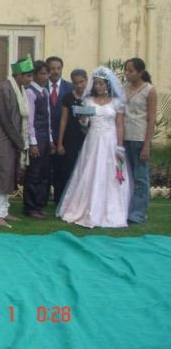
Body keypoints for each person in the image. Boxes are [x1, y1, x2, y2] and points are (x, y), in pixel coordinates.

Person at [57, 66, 131, 228]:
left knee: (110, 172)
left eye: (101, 84)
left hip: (110, 140)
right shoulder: (88, 101)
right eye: (96, 83)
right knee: (90, 170)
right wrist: (83, 120)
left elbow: (120, 125)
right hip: (93, 139)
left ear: (107, 85)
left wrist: (120, 146)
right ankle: (86, 206)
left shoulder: (117, 102)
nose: (97, 86)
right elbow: (85, 124)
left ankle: (110, 209)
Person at [0, 56, 34, 227]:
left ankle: (5, 210)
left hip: (13, 140)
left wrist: (19, 141)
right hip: (4, 139)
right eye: (28, 76)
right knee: (3, 176)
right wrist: (19, 142)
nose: (31, 79)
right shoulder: (5, 88)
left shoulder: (19, 89)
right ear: (18, 75)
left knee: (10, 175)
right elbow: (5, 119)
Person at [124, 58, 157, 223]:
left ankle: (138, 214)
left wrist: (146, 145)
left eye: (131, 71)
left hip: (139, 138)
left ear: (140, 72)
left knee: (140, 177)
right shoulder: (124, 88)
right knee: (126, 176)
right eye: (126, 70)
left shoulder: (149, 90)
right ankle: (125, 209)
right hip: (124, 138)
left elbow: (151, 119)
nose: (127, 74)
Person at [23, 60, 56, 218]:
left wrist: (50, 139)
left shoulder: (45, 92)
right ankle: (30, 207)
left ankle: (40, 204)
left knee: (44, 173)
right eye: (43, 74)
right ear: (35, 75)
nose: (46, 77)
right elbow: (30, 120)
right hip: (36, 137)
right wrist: (33, 143)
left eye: (47, 74)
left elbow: (47, 117)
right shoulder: (30, 92)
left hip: (44, 136)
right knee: (34, 173)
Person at [55, 69, 88, 197]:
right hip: (71, 136)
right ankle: (66, 197)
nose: (79, 85)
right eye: (76, 83)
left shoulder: (91, 97)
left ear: (86, 81)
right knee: (69, 167)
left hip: (88, 136)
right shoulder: (68, 97)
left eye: (81, 82)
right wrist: (60, 143)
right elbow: (63, 120)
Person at [46, 56, 73, 203]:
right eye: (52, 69)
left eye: (58, 68)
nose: (55, 71)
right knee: (43, 171)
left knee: (61, 170)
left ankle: (60, 200)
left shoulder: (70, 88)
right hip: (44, 136)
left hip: (64, 137)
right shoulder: (40, 86)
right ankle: (42, 200)